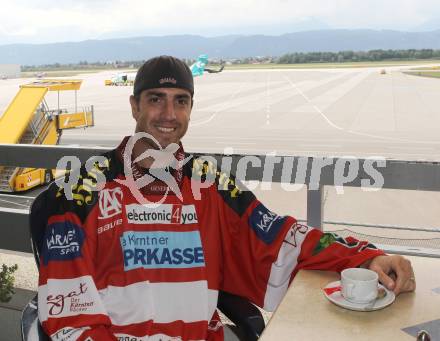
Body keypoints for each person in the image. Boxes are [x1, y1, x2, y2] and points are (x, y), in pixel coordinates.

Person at [38, 56, 416, 341]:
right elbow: (70, 313)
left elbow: (283, 238)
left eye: (181, 101)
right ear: (135, 106)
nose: (169, 114)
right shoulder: (80, 192)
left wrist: (367, 257)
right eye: (156, 100)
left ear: (190, 109)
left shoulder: (211, 182)